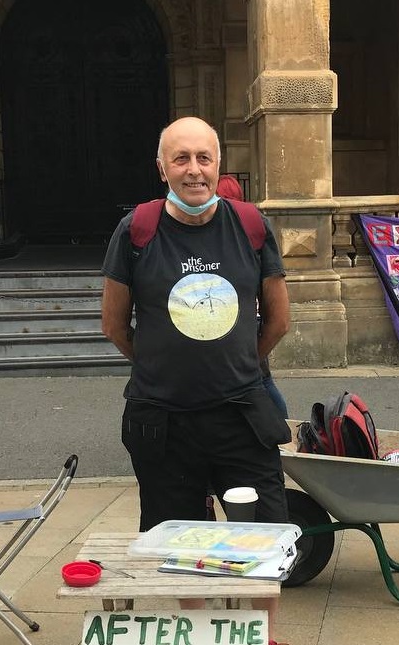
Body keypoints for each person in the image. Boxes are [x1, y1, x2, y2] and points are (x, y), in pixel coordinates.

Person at [101, 117, 290, 644]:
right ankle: (201, 632)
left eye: (203, 158)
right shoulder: (136, 230)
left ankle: (262, 636)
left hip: (241, 418)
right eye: (180, 158)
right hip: (164, 422)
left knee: (261, 537)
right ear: (161, 167)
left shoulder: (251, 226)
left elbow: (278, 320)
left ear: (218, 164)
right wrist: (162, 365)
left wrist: (238, 366)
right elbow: (115, 324)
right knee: (178, 540)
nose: (193, 170)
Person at [214, 173, 290, 418]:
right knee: (259, 377)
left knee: (259, 378)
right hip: (251, 314)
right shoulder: (249, 222)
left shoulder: (236, 225)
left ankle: (281, 427)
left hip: (242, 316)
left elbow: (281, 320)